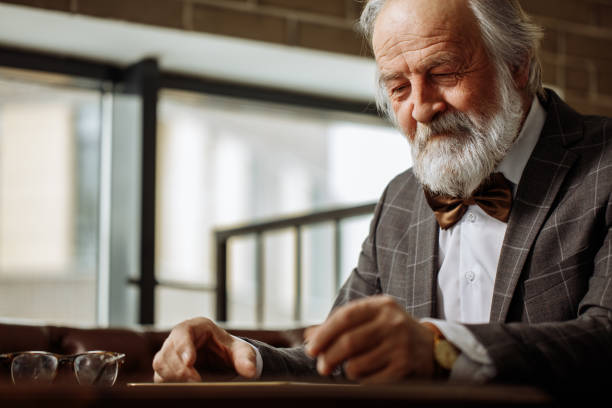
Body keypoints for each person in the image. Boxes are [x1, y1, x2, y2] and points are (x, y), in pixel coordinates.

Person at [153, 0, 612, 389]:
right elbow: (336, 358)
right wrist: (241, 355)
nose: (421, 107)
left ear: (518, 65)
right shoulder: (399, 200)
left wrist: (438, 350)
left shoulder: (605, 164)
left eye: (444, 72)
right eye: (398, 87)